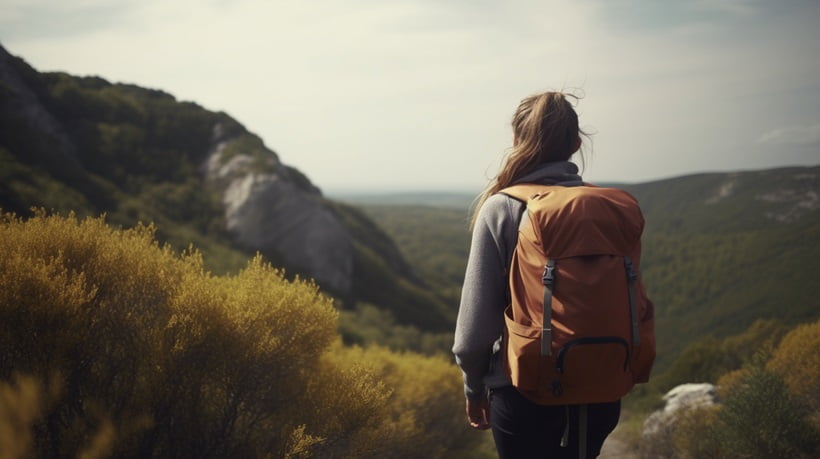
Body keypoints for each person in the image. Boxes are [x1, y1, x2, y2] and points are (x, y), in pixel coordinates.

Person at [452, 91, 620, 458]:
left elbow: (473, 334)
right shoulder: (608, 206)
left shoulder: (504, 208)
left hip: (524, 388)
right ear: (576, 144)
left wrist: (473, 388)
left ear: (516, 140)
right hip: (603, 384)